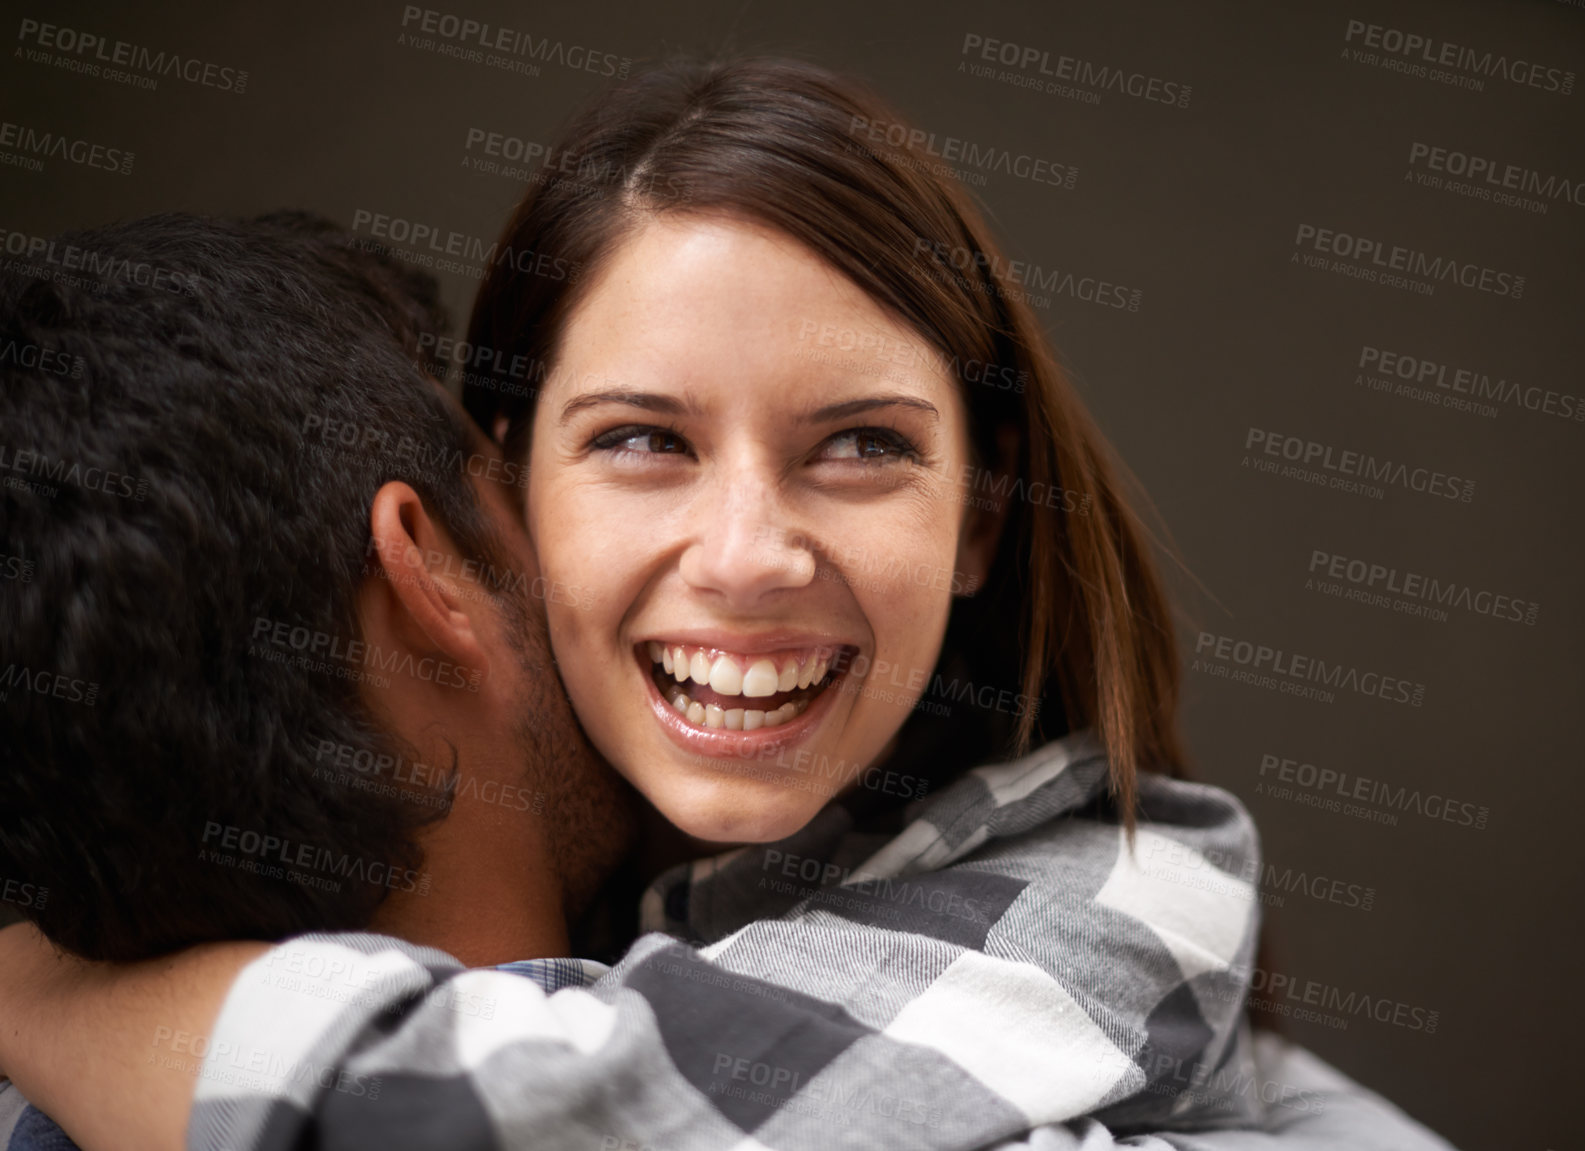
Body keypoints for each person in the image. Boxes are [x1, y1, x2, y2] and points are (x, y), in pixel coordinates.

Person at [0, 59, 1455, 1151]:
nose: (752, 555)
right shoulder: (561, 893)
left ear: (984, 516)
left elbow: (555, 1119)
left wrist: (36, 1009)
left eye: (865, 446)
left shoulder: (1121, 886)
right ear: (503, 490)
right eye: (643, 440)